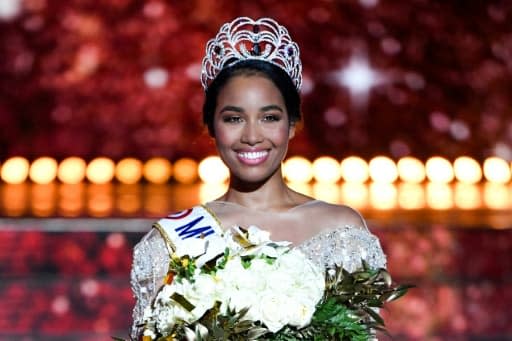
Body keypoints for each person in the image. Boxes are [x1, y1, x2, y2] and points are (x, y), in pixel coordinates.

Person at [130, 17, 386, 339]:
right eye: (234, 118)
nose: (252, 136)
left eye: (269, 117)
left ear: (292, 125)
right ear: (211, 127)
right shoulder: (166, 246)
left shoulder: (342, 232)